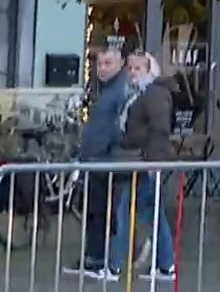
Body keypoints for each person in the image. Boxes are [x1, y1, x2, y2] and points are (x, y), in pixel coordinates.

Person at [100, 52, 177, 281]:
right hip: (143, 161)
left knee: (127, 212)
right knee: (153, 214)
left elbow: (159, 129)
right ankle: (166, 264)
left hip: (147, 162)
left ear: (149, 71)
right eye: (131, 68)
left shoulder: (153, 94)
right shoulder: (139, 94)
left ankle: (114, 266)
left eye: (138, 69)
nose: (132, 73)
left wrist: (150, 158)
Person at [76, 45, 130, 274]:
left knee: (106, 212)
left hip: (107, 160)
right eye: (100, 64)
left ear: (120, 65)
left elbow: (119, 126)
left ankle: (105, 261)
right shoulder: (104, 89)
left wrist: (108, 149)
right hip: (95, 159)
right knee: (93, 210)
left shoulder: (121, 90)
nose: (103, 68)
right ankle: (93, 257)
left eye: (109, 63)